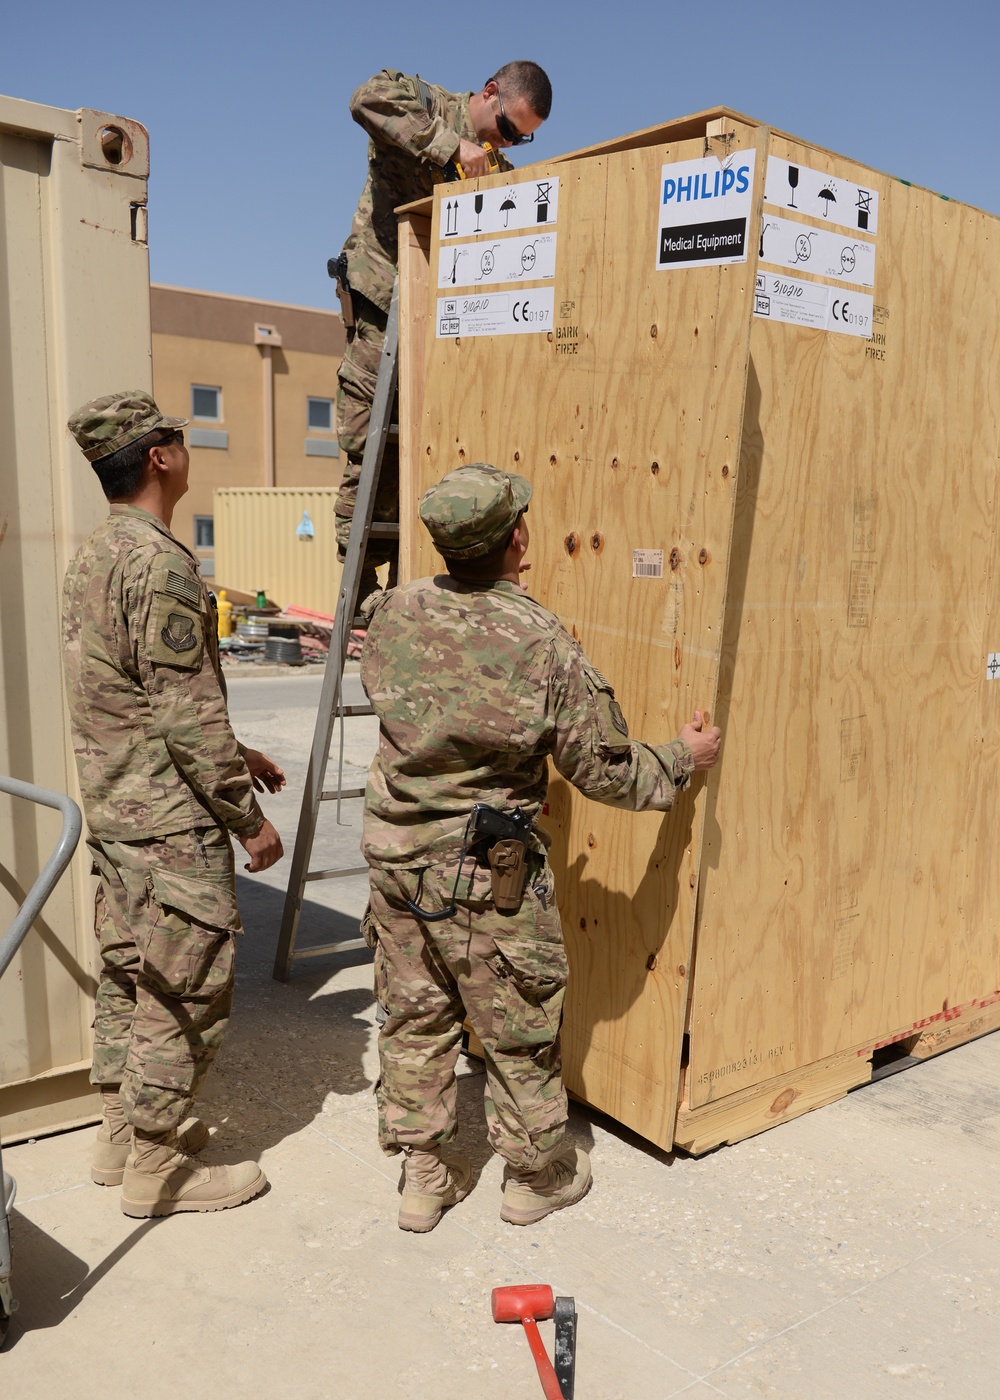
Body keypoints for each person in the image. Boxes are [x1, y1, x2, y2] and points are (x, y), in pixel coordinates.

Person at [360, 463, 723, 1232]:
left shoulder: (393, 611)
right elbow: (606, 772)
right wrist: (684, 756)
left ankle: (423, 1177)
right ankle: (533, 1176)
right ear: (516, 537)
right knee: (518, 1024)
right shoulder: (538, 638)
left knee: (414, 1014)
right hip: (484, 871)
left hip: (394, 859)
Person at [62, 390, 286, 1218]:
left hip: (120, 811)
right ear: (159, 456)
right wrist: (247, 818)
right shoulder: (159, 564)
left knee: (128, 972)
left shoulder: (96, 556)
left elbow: (138, 696)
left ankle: (120, 1136)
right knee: (183, 988)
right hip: (169, 824)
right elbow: (183, 713)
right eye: (180, 440)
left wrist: (238, 753)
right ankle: (158, 1166)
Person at [333, 61, 552, 597]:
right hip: (384, 297)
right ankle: (359, 581)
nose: (509, 142)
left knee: (431, 443)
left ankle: (411, 580)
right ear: (490, 93)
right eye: (508, 128)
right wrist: (452, 146)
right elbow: (366, 97)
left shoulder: (496, 168)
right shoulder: (422, 103)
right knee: (370, 439)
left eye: (521, 140)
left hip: (448, 322)